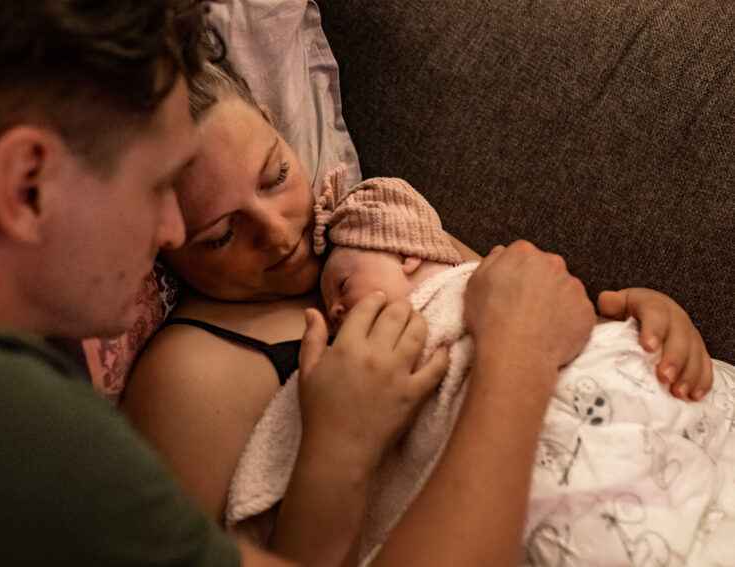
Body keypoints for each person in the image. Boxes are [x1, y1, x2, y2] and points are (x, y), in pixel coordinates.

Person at [0, 2, 443, 565]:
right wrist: (515, 344)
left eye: (274, 175)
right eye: (155, 186)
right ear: (28, 184)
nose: (170, 234)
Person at [120, 58, 714, 565]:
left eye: (276, 175)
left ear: (276, 127)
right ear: (162, 236)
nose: (278, 234)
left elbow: (533, 313)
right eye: (221, 235)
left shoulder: (378, 222)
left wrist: (640, 322)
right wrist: (335, 447)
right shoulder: (187, 378)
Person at [224, 167, 735, 564]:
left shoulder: (474, 283)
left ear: (403, 254)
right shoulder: (336, 372)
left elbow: (572, 325)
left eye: (342, 287)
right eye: (219, 233)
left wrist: (646, 326)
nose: (335, 314)